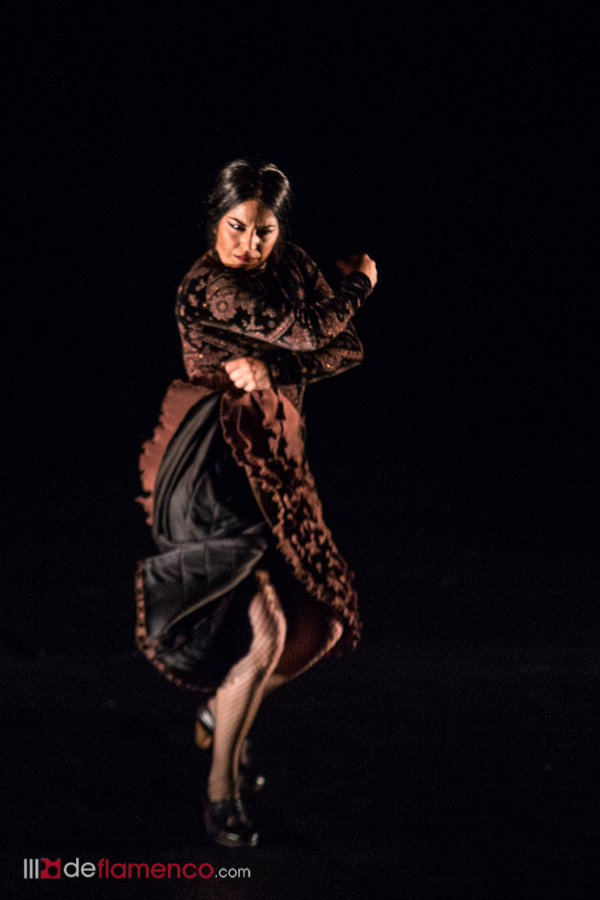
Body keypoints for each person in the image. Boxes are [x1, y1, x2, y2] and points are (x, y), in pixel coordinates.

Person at [135, 159, 377, 847]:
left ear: (280, 228)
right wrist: (360, 283)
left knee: (319, 627)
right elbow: (312, 332)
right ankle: (222, 790)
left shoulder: (292, 267)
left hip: (274, 460)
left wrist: (278, 369)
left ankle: (222, 714)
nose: (249, 244)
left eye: (263, 230)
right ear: (215, 220)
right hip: (211, 466)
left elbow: (346, 349)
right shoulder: (210, 285)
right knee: (264, 631)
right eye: (236, 227)